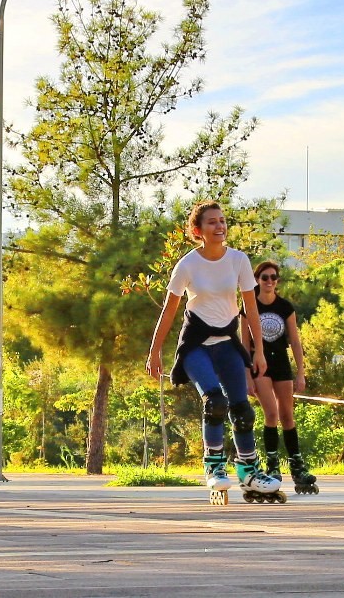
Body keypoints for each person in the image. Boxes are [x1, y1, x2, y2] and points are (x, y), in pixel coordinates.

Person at [147, 200, 282, 501]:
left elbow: (250, 307)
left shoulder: (238, 260)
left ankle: (248, 472)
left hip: (227, 342)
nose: (220, 226)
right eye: (212, 222)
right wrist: (155, 351)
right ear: (198, 230)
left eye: (222, 221)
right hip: (196, 345)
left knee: (243, 409)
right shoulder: (188, 265)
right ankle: (214, 469)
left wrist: (258, 351)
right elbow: (169, 312)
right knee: (215, 401)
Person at [240, 260, 317, 494]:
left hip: (280, 360)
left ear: (278, 281)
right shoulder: (248, 305)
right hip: (258, 362)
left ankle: (297, 465)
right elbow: (244, 343)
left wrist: (300, 372)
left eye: (274, 278)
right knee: (271, 413)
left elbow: (295, 341)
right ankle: (272, 465)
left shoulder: (285, 307)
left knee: (287, 415)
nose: (270, 281)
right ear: (257, 280)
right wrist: (247, 376)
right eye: (265, 277)